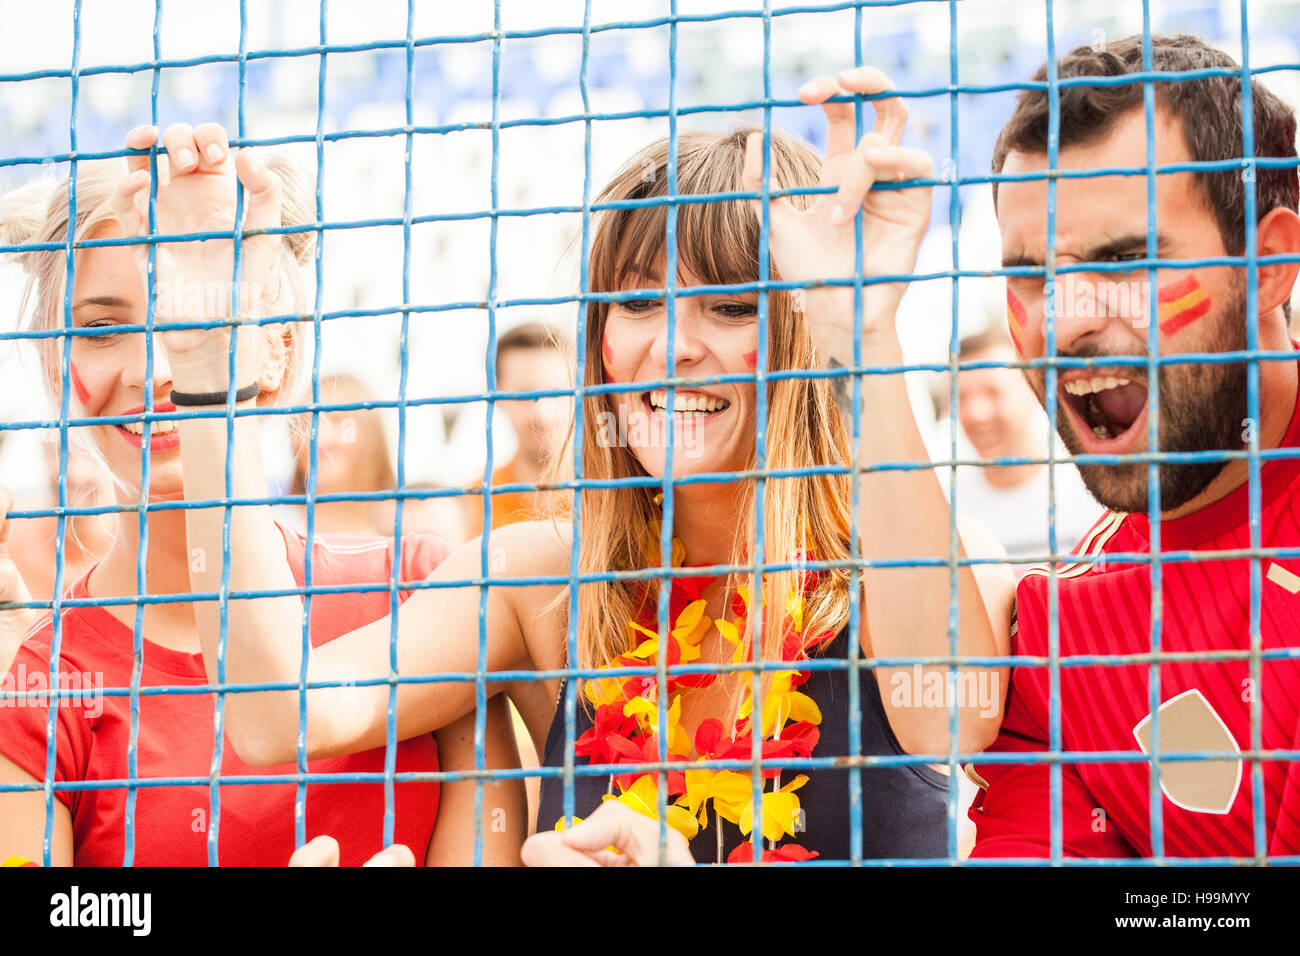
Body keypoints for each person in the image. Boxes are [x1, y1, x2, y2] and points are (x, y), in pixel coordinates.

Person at [167, 67, 1014, 865]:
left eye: (729, 305)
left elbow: (955, 716)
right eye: (639, 300)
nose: (671, 348)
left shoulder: (925, 565)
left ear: (798, 329)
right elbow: (280, 716)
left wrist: (858, 336)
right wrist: (209, 371)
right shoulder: (542, 580)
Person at [0, 125, 525, 866]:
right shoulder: (39, 683)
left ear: (277, 350)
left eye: (195, 316)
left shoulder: (420, 592)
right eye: (103, 327)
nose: (159, 364)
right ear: (56, 369)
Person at [967, 34, 1300, 858]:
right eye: (1032, 276)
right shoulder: (1058, 636)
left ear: (1269, 264)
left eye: (1126, 260)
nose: (1065, 317)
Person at [954, 325, 1103, 574]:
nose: (975, 413)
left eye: (993, 392)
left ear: (1034, 392)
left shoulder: (1090, 489)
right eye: (961, 398)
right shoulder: (950, 505)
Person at [464, 322, 574, 535]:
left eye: (556, 393)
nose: (542, 414)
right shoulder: (473, 504)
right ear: (496, 399)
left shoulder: (615, 492)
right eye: (524, 395)